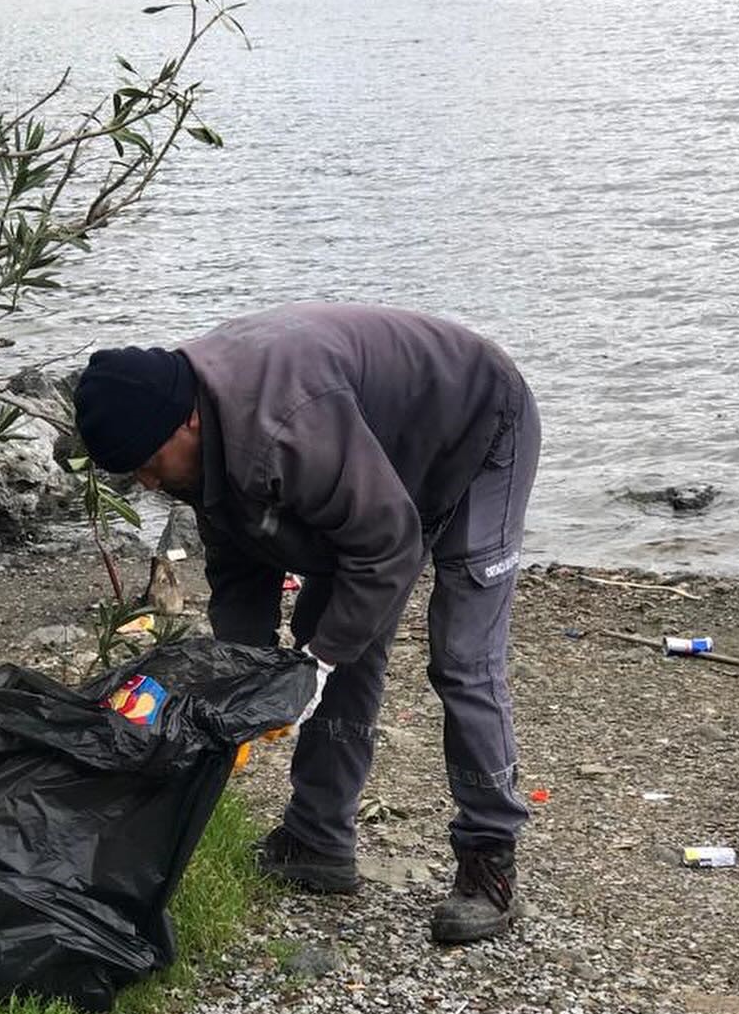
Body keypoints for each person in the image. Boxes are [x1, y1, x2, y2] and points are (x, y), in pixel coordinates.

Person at [73, 303, 540, 945]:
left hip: (475, 425)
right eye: (134, 476)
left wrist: (317, 662)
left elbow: (388, 548)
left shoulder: (282, 426)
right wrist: (246, 677)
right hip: (369, 465)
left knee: (461, 656)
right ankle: (318, 839)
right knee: (333, 627)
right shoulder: (188, 430)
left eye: (151, 464)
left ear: (187, 419)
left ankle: (489, 858)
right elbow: (240, 566)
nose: (150, 483)